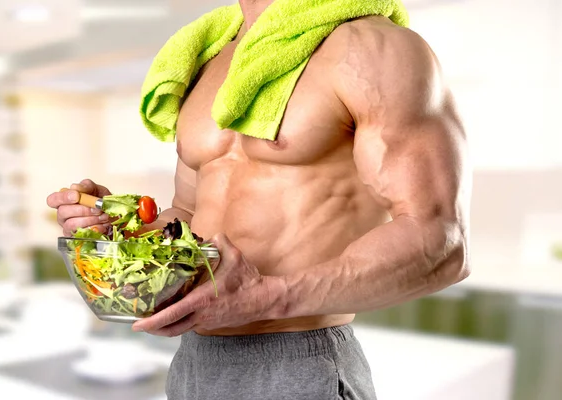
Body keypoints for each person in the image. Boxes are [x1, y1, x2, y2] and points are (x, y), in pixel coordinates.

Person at [47, 0, 471, 398]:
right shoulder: (207, 59)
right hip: (194, 363)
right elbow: (189, 220)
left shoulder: (372, 48)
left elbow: (441, 241)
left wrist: (271, 296)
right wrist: (120, 226)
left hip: (297, 359)